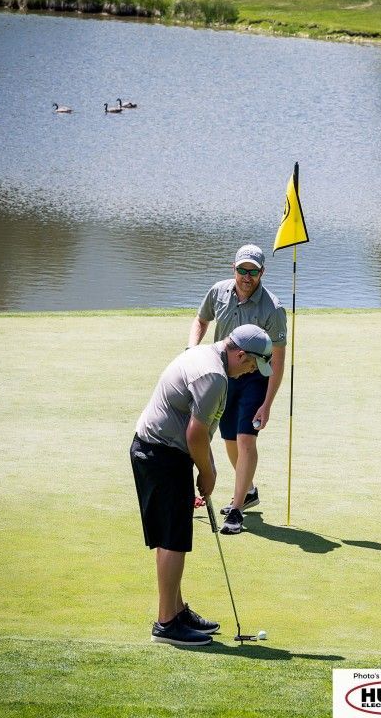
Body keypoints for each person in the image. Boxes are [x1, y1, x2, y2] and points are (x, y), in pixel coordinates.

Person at [130, 324, 273, 649]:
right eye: (252, 365)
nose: (250, 372)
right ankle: (166, 623)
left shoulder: (206, 356)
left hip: (162, 450)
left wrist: (204, 465)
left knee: (173, 535)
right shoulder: (214, 377)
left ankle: (176, 611)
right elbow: (195, 434)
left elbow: (199, 428)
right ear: (240, 354)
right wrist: (208, 474)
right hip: (161, 453)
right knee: (173, 539)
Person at [188, 243, 286, 535]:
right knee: (229, 440)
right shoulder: (218, 292)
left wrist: (267, 404)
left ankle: (237, 510)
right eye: (242, 270)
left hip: (255, 379)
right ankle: (250, 490)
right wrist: (193, 350)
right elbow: (201, 320)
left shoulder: (273, 309)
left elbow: (278, 360)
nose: (247, 276)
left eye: (253, 272)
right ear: (234, 269)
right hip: (223, 376)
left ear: (262, 273)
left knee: (245, 441)